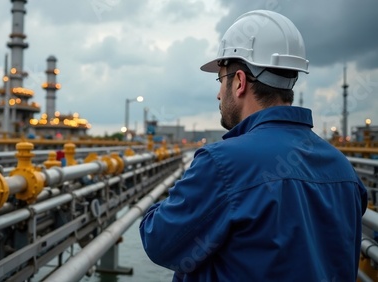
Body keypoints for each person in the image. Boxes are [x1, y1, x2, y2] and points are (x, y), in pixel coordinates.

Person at [139, 9, 367, 281]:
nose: (218, 94)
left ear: (239, 82)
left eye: (220, 80)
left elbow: (159, 242)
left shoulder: (222, 163)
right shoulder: (343, 169)